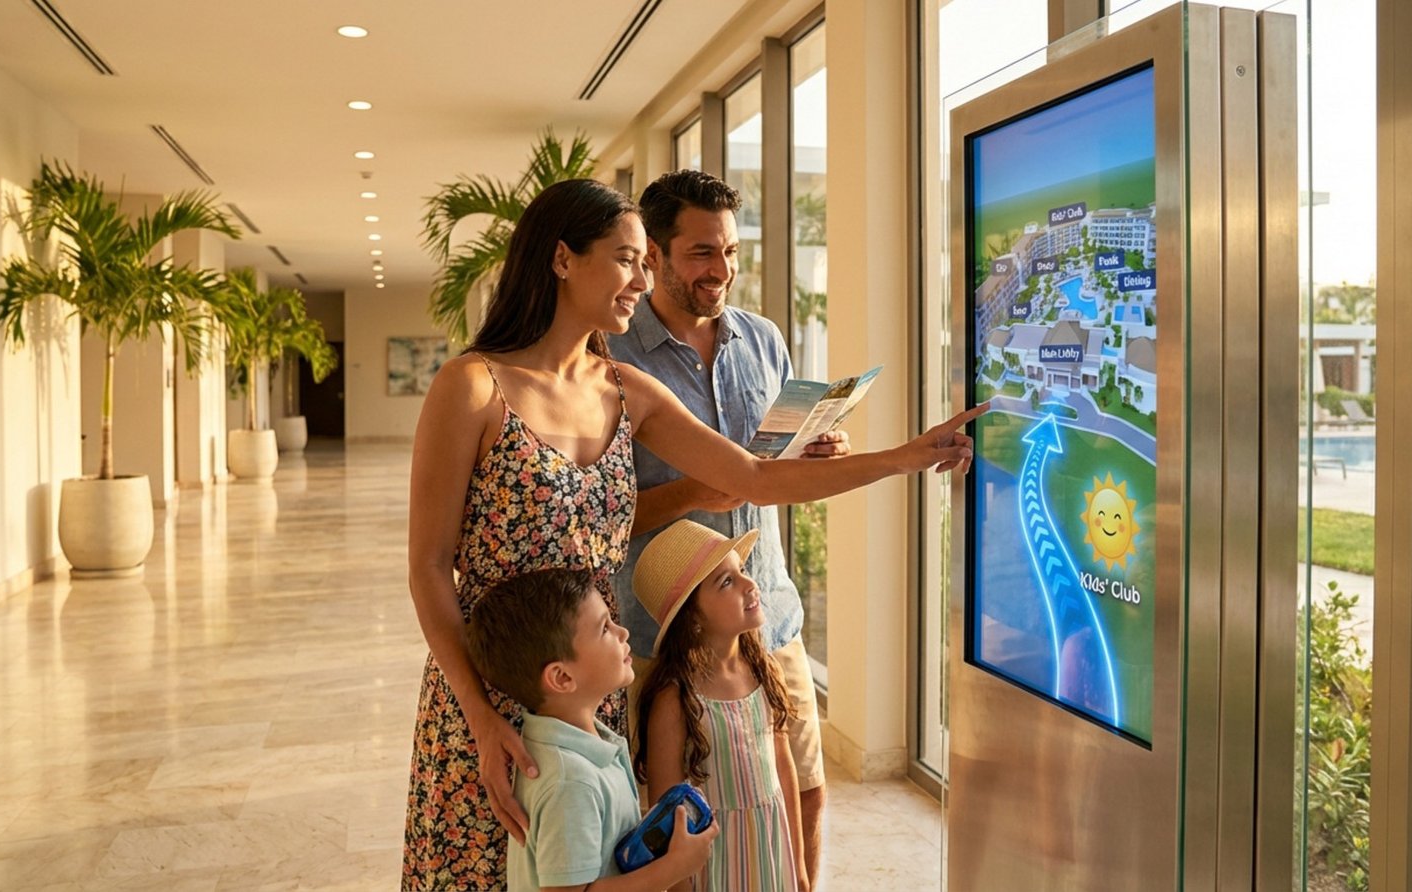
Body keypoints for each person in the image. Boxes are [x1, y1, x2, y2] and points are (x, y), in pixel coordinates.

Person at [404, 176, 982, 889]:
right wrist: (480, 720)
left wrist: (905, 456)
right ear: (561, 259)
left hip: (594, 691)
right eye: (626, 260)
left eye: (647, 262)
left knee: (596, 867)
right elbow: (430, 566)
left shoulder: (629, 390)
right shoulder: (474, 386)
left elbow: (757, 478)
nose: (642, 280)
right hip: (490, 691)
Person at [605, 169, 830, 885]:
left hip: (768, 618)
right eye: (703, 252)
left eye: (731, 251)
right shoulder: (611, 359)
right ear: (656, 257)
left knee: (804, 788)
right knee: (677, 813)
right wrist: (695, 489)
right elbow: (601, 518)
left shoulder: (762, 341)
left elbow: (772, 474)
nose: (722, 270)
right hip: (659, 631)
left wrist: (818, 455)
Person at [462, 567, 718, 891]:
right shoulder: (571, 782)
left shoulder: (583, 747)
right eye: (604, 629)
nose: (622, 633)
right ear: (562, 678)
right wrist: (673, 869)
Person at [631, 520, 806, 892]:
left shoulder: (763, 668)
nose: (749, 584)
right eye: (726, 582)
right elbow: (668, 811)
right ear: (692, 618)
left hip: (772, 847)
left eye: (741, 571)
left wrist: (800, 865)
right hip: (715, 864)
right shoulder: (675, 699)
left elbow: (784, 769)